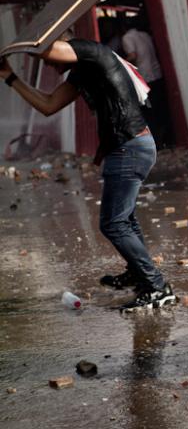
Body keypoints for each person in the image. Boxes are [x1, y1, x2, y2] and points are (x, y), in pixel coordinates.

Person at [0, 36, 175, 312]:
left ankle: (157, 287)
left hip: (130, 146)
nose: (49, 65)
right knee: (124, 219)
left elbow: (49, 49)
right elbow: (48, 105)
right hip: (126, 147)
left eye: (47, 56)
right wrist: (10, 77)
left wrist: (27, 44)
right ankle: (139, 274)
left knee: (114, 223)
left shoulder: (92, 51)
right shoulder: (83, 71)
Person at [121, 17, 174, 146]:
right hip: (157, 75)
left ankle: (156, 143)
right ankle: (168, 140)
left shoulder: (127, 37)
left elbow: (133, 56)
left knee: (149, 113)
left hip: (145, 79)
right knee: (161, 109)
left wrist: (119, 63)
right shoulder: (145, 35)